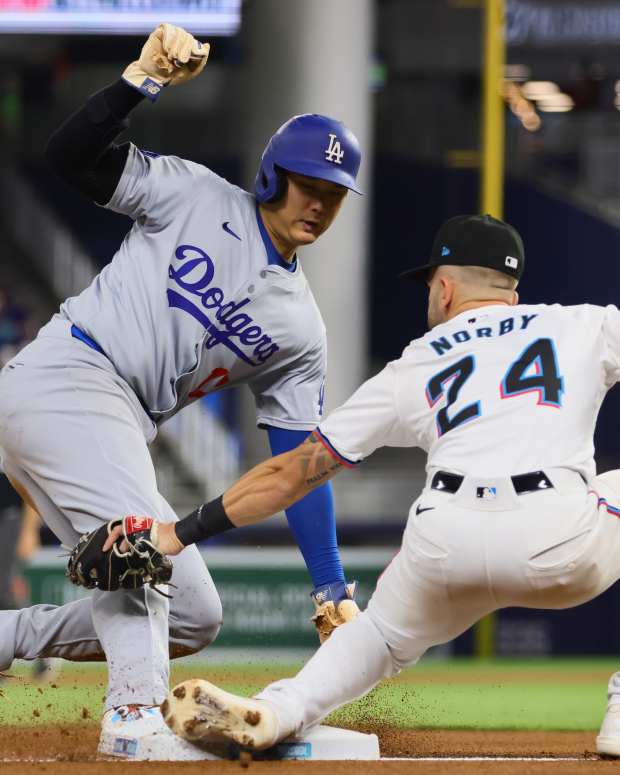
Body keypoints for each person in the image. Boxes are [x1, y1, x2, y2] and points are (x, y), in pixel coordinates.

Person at [0, 23, 362, 761]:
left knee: (194, 611)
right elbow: (69, 157)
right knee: (139, 550)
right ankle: (132, 717)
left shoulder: (300, 328)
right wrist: (139, 82)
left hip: (121, 419)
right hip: (70, 373)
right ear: (273, 177)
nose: (320, 204)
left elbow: (301, 462)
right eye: (308, 185)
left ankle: (8, 638)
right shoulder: (194, 195)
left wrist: (331, 587)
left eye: (335, 194)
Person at [146, 213, 620, 758]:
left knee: (375, 640)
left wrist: (180, 531)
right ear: (511, 289)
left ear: (444, 287)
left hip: (445, 537)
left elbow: (292, 473)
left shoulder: (416, 362)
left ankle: (278, 709)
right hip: (557, 534)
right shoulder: (583, 324)